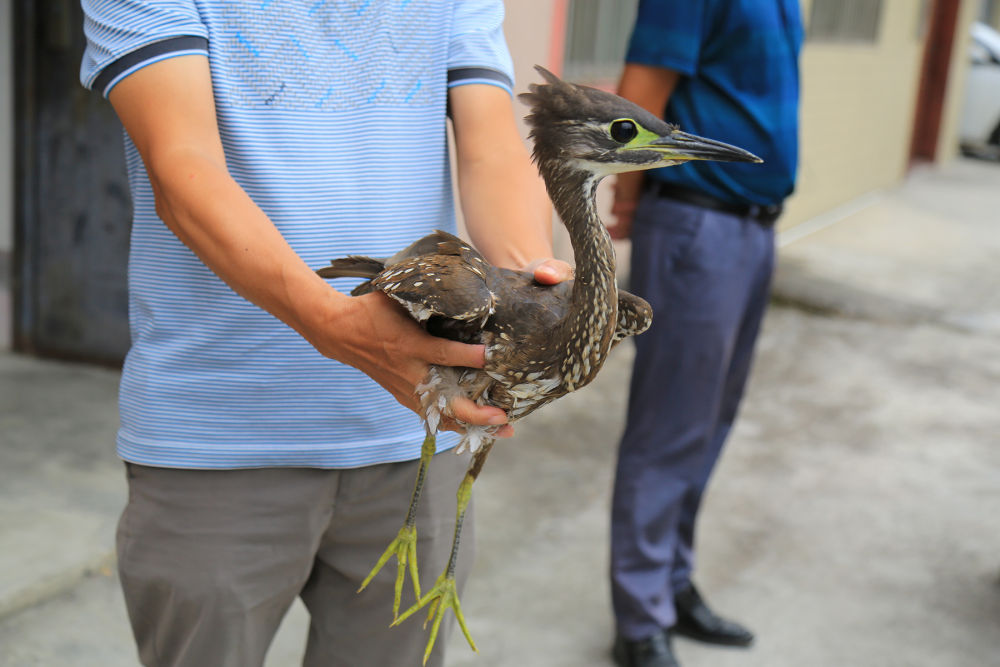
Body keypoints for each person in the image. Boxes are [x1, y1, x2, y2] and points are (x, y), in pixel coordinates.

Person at [79, 1, 570, 665]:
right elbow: (182, 169)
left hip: (413, 434)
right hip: (216, 440)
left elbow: (491, 147)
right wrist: (338, 323)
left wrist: (526, 289)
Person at [606, 2, 803, 666]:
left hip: (753, 225)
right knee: (670, 425)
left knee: (709, 419)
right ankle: (639, 618)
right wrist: (630, 201)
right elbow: (638, 98)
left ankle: (669, 581)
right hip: (698, 222)